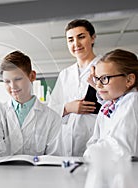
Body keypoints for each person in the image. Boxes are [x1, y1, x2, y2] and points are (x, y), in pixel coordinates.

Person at [0, 51, 63, 156]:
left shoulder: (52, 118)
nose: (13, 86)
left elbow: (55, 158)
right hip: (4, 172)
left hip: (38, 173)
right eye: (7, 81)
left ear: (32, 76)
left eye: (18, 79)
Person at [48, 19, 102, 156]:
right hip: (65, 141)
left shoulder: (104, 67)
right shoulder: (65, 74)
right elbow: (50, 109)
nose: (76, 44)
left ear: (93, 38)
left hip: (95, 137)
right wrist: (67, 108)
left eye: (81, 37)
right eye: (70, 40)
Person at [84, 49, 138, 158]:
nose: (98, 85)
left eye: (105, 78)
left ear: (129, 80)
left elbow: (120, 148)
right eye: (97, 79)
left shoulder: (132, 100)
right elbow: (94, 141)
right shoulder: (108, 106)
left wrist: (91, 153)